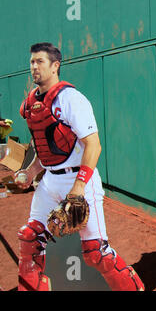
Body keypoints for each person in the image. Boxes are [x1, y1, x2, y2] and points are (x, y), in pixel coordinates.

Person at [15, 42, 144, 291]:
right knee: (30, 239)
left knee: (97, 253)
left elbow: (93, 146)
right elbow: (47, 149)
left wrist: (78, 187)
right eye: (32, 62)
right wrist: (31, 172)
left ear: (55, 66)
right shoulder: (32, 103)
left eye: (40, 61)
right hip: (49, 181)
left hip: (79, 179)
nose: (34, 67)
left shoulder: (71, 98)